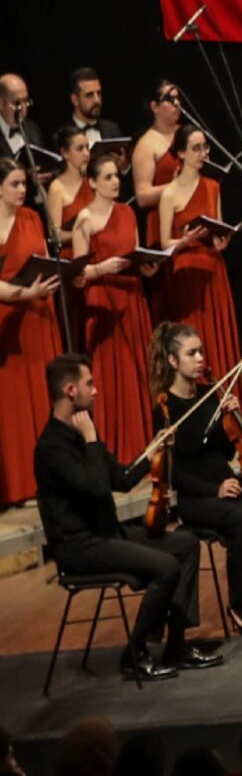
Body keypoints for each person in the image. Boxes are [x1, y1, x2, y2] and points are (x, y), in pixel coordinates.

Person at [35, 354, 221, 681]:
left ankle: (176, 646)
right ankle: (135, 653)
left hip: (107, 534)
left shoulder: (82, 433)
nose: (95, 391)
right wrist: (92, 441)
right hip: (80, 546)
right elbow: (95, 487)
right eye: (89, 384)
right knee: (166, 567)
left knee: (186, 544)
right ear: (69, 390)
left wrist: (152, 452)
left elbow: (119, 479)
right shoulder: (52, 447)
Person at [152, 321, 242, 628]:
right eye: (192, 353)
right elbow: (174, 473)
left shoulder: (210, 395)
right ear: (172, 360)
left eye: (201, 351)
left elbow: (226, 452)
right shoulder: (166, 408)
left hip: (228, 484)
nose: (200, 359)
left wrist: (229, 416)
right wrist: (214, 489)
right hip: (198, 497)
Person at [65, 150, 159, 463]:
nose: (115, 182)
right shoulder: (85, 219)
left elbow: (134, 253)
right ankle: (114, 451)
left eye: (116, 176)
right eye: (107, 177)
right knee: (109, 374)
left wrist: (145, 268)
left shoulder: (128, 213)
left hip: (131, 297)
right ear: (92, 182)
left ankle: (143, 447)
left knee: (135, 370)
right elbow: (78, 276)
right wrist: (104, 268)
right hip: (103, 300)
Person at [1, 162, 66, 505]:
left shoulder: (33, 218)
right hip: (8, 316)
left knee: (41, 394)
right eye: (14, 184)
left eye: (24, 183)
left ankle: (49, 475)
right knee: (13, 403)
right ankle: (20, 483)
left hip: (38, 312)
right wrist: (19, 295)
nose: (22, 190)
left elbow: (40, 257)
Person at [152, 126, 240, 382]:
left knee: (219, 334)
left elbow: (219, 229)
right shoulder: (168, 193)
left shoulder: (213, 186)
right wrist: (184, 240)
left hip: (213, 268)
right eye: (196, 148)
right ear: (181, 153)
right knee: (196, 336)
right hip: (186, 270)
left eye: (205, 147)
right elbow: (164, 242)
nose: (203, 153)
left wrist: (222, 242)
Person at [128, 80, 184, 231]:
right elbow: (142, 196)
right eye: (170, 99)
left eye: (178, 98)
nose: (177, 103)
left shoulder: (189, 135)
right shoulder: (145, 145)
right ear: (154, 107)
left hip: (194, 216)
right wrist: (176, 186)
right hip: (166, 223)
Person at [44, 124, 90, 242]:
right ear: (65, 153)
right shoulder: (56, 188)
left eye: (87, 147)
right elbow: (55, 235)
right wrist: (85, 234)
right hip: (72, 254)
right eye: (80, 148)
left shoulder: (92, 180)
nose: (86, 154)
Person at [65, 67, 106, 147]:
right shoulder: (64, 135)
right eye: (89, 95)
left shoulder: (112, 129)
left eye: (99, 93)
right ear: (75, 100)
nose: (97, 100)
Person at [0, 70, 31, 166]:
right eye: (17, 103)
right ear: (1, 103)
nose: (23, 108)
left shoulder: (32, 129)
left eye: (25, 101)